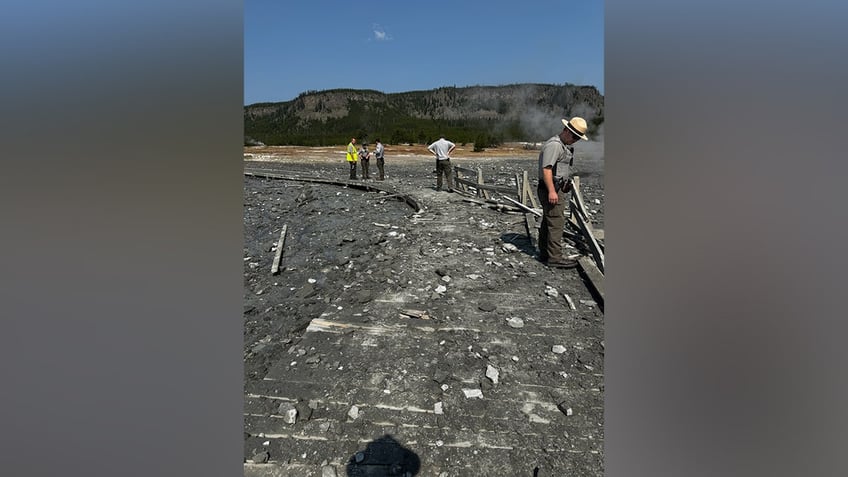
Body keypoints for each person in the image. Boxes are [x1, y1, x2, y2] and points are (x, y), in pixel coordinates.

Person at [536, 117, 589, 269]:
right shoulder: (555, 145)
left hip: (555, 188)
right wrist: (552, 191)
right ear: (566, 130)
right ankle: (555, 258)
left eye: (578, 138)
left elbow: (557, 170)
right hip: (550, 189)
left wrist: (563, 185)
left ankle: (545, 253)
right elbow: (546, 169)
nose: (575, 140)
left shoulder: (563, 146)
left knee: (549, 221)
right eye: (574, 136)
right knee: (557, 222)